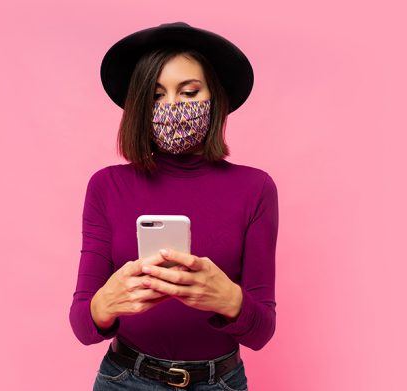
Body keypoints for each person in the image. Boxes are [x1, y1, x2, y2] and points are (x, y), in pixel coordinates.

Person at [69, 21, 279, 390]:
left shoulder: (255, 187)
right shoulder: (106, 186)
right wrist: (107, 302)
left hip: (220, 381)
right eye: (156, 95)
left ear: (215, 99)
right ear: (138, 106)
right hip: (125, 378)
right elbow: (82, 326)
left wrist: (230, 299)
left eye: (190, 91)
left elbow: (261, 332)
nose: (173, 107)